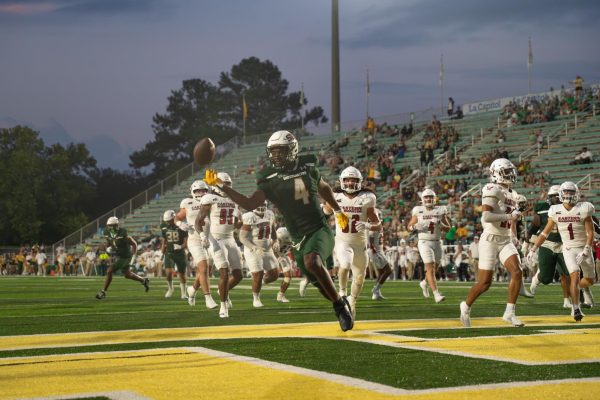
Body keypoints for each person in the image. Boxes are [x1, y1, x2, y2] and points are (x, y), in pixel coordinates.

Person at [202, 130, 354, 331]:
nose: (276, 156)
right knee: (322, 285)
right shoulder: (269, 178)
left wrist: (337, 209)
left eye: (281, 151)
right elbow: (248, 203)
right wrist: (222, 186)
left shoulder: (307, 165)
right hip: (298, 238)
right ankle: (340, 301)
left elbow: (323, 186)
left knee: (312, 261)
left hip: (319, 229)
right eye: (273, 152)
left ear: (293, 149)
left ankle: (339, 308)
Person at [459, 158, 525, 327]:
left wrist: (514, 233)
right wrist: (510, 216)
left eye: (511, 172)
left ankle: (509, 312)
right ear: (495, 174)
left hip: (505, 239)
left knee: (517, 272)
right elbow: (486, 216)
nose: (510, 175)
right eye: (506, 172)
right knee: (485, 283)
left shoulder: (514, 194)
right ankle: (465, 306)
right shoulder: (491, 188)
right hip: (490, 239)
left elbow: (512, 220)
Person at [527, 182, 596, 321]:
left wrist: (587, 249)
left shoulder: (584, 208)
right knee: (574, 276)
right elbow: (544, 233)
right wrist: (533, 249)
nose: (569, 195)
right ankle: (575, 308)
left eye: (571, 192)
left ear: (576, 193)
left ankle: (577, 290)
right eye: (566, 192)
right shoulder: (555, 210)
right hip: (568, 248)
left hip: (584, 248)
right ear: (561, 194)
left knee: (590, 279)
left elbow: (590, 232)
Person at [323, 166, 380, 318]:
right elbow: (325, 213)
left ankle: (352, 301)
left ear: (359, 181)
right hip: (342, 240)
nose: (349, 183)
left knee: (360, 277)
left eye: (353, 180)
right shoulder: (335, 195)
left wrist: (368, 225)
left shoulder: (367, 197)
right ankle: (342, 293)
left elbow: (378, 224)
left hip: (360, 243)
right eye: (347, 180)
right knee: (344, 264)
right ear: (342, 181)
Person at [197, 172, 243, 318]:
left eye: (229, 184)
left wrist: (240, 222)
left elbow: (236, 224)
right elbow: (198, 221)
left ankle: (222, 291)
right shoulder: (210, 198)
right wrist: (203, 236)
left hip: (230, 238)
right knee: (224, 272)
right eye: (225, 183)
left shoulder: (233, 200)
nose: (227, 186)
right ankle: (223, 306)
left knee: (238, 275)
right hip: (216, 239)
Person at [526, 185, 572, 308]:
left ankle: (567, 300)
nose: (557, 198)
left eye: (559, 196)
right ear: (549, 197)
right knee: (546, 279)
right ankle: (537, 278)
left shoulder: (569, 208)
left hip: (564, 244)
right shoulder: (542, 209)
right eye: (554, 196)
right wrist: (527, 241)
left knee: (568, 273)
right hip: (547, 243)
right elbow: (534, 226)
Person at [176, 180, 218, 310]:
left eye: (203, 190)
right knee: (204, 268)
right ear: (192, 192)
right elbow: (177, 218)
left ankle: (192, 289)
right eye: (197, 191)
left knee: (206, 271)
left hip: (211, 239)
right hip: (194, 239)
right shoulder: (188, 203)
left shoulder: (212, 201)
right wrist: (180, 224)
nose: (200, 193)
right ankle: (208, 298)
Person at [407, 188, 451, 303]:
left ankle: (424, 283)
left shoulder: (440, 210)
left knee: (434, 268)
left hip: (437, 241)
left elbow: (448, 228)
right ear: (422, 199)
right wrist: (415, 227)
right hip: (424, 242)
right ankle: (436, 294)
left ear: (434, 198)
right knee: (430, 268)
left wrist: (440, 223)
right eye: (426, 197)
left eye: (430, 197)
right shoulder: (418, 210)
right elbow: (409, 226)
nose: (428, 199)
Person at [95, 217, 149, 299]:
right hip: (119, 255)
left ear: (116, 225)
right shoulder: (107, 232)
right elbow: (110, 242)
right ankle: (143, 280)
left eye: (112, 226)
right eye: (109, 226)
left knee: (109, 271)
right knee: (127, 275)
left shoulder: (122, 233)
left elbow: (134, 243)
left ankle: (103, 292)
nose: (110, 228)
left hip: (126, 256)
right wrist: (107, 247)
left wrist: (134, 255)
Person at [239, 202, 280, 307]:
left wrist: (276, 240)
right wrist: (254, 247)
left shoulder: (269, 214)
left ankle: (259, 282)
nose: (261, 207)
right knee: (258, 274)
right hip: (253, 249)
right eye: (258, 205)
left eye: (263, 205)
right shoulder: (250, 217)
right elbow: (242, 237)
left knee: (275, 274)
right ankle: (256, 298)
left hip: (267, 249)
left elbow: (273, 230)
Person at [161, 210, 189, 300]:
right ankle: (170, 288)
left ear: (174, 218)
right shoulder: (164, 226)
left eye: (170, 220)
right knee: (168, 273)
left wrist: (180, 246)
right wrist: (162, 251)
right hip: (169, 252)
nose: (168, 222)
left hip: (180, 253)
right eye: (167, 221)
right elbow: (164, 240)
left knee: (181, 274)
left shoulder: (182, 226)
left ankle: (183, 293)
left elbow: (186, 242)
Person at [368, 208, 393, 300]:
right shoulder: (373, 226)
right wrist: (373, 249)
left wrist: (383, 246)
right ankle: (376, 289)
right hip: (376, 252)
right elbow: (370, 238)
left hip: (378, 250)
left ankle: (376, 294)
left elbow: (377, 239)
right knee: (389, 271)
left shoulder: (377, 226)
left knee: (381, 272)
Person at [274, 227, 295, 302]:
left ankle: (281, 295)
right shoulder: (279, 235)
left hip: (284, 255)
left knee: (288, 277)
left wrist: (293, 260)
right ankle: (280, 295)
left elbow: (292, 249)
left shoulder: (292, 236)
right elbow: (272, 249)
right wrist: (279, 259)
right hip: (278, 255)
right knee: (288, 276)